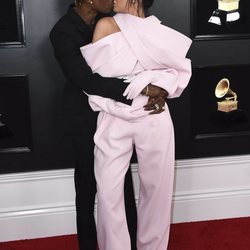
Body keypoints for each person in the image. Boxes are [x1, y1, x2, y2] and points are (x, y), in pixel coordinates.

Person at [49, 1, 167, 249]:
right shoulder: (63, 31)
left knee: (120, 188)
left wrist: (160, 86)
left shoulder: (115, 19)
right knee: (89, 189)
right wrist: (143, 90)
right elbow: (87, 81)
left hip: (116, 116)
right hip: (83, 120)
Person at [80, 0, 192, 249]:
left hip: (154, 116)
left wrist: (159, 83)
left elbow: (176, 73)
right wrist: (149, 80)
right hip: (113, 116)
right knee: (108, 192)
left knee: (158, 191)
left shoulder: (158, 30)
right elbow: (97, 80)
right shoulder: (105, 24)